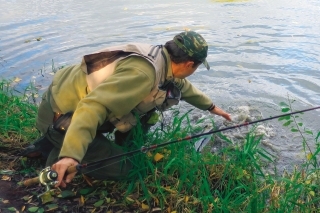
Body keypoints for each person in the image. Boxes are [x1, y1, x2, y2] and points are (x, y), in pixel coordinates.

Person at [22, 31, 232, 188]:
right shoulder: (143, 75)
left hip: (62, 103)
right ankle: (55, 155)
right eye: (196, 67)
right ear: (189, 64)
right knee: (129, 168)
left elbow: (182, 87)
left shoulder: (161, 58)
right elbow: (92, 107)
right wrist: (71, 155)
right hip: (62, 118)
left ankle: (49, 143)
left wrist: (213, 108)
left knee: (147, 112)